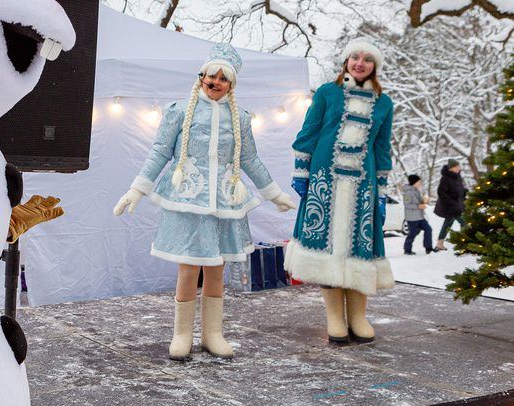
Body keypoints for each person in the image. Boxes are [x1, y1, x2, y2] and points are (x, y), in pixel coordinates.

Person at [113, 43, 296, 361]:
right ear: (202, 75)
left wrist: (274, 193)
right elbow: (160, 152)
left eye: (224, 78)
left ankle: (213, 333)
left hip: (225, 203)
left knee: (216, 268)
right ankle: (182, 333)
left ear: (231, 84)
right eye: (212, 75)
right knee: (188, 267)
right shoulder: (180, 111)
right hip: (188, 200)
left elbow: (250, 159)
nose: (216, 82)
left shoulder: (239, 118)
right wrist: (136, 189)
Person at [284, 40, 394, 344]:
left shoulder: (384, 103)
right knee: (326, 246)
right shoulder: (326, 93)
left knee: (360, 245)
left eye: (368, 59)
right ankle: (334, 317)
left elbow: (382, 148)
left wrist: (382, 191)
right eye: (355, 57)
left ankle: (358, 317)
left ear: (375, 66)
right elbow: (308, 132)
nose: (360, 63)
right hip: (325, 178)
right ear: (345, 61)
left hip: (363, 183)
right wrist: (301, 172)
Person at [434, 158, 466, 250]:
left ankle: (439, 244)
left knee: (447, 224)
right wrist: (452, 203)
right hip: (451, 207)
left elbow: (460, 190)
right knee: (464, 223)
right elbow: (441, 193)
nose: (459, 168)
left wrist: (465, 194)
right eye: (457, 166)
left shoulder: (457, 177)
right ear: (451, 168)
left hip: (457, 205)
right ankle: (466, 243)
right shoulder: (446, 178)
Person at [402, 174, 433, 255]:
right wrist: (418, 206)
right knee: (413, 233)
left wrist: (423, 201)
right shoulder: (408, 192)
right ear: (414, 182)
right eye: (419, 182)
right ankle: (407, 250)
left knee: (428, 229)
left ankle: (428, 248)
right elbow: (407, 204)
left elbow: (418, 202)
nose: (420, 184)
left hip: (420, 217)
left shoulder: (416, 191)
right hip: (412, 218)